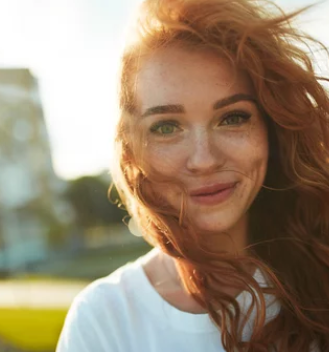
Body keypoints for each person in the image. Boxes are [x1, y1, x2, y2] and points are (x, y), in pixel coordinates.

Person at [56, 0, 329, 351]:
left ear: (270, 128)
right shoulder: (104, 321)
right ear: (132, 151)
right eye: (166, 127)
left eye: (232, 118)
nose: (203, 161)